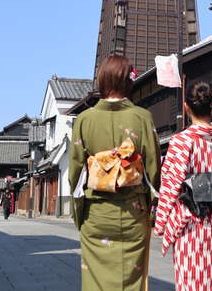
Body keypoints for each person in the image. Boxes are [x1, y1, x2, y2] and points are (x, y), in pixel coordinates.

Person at [69, 55, 161, 291]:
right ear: (128, 81)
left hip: (97, 214)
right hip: (133, 213)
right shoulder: (142, 117)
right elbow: (153, 169)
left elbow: (75, 174)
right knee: (132, 279)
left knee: (95, 281)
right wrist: (151, 213)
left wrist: (79, 214)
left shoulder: (84, 120)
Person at [154, 82, 212, 291]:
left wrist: (161, 223)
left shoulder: (181, 141)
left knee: (192, 278)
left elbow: (170, 186)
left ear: (186, 107)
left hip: (191, 221)